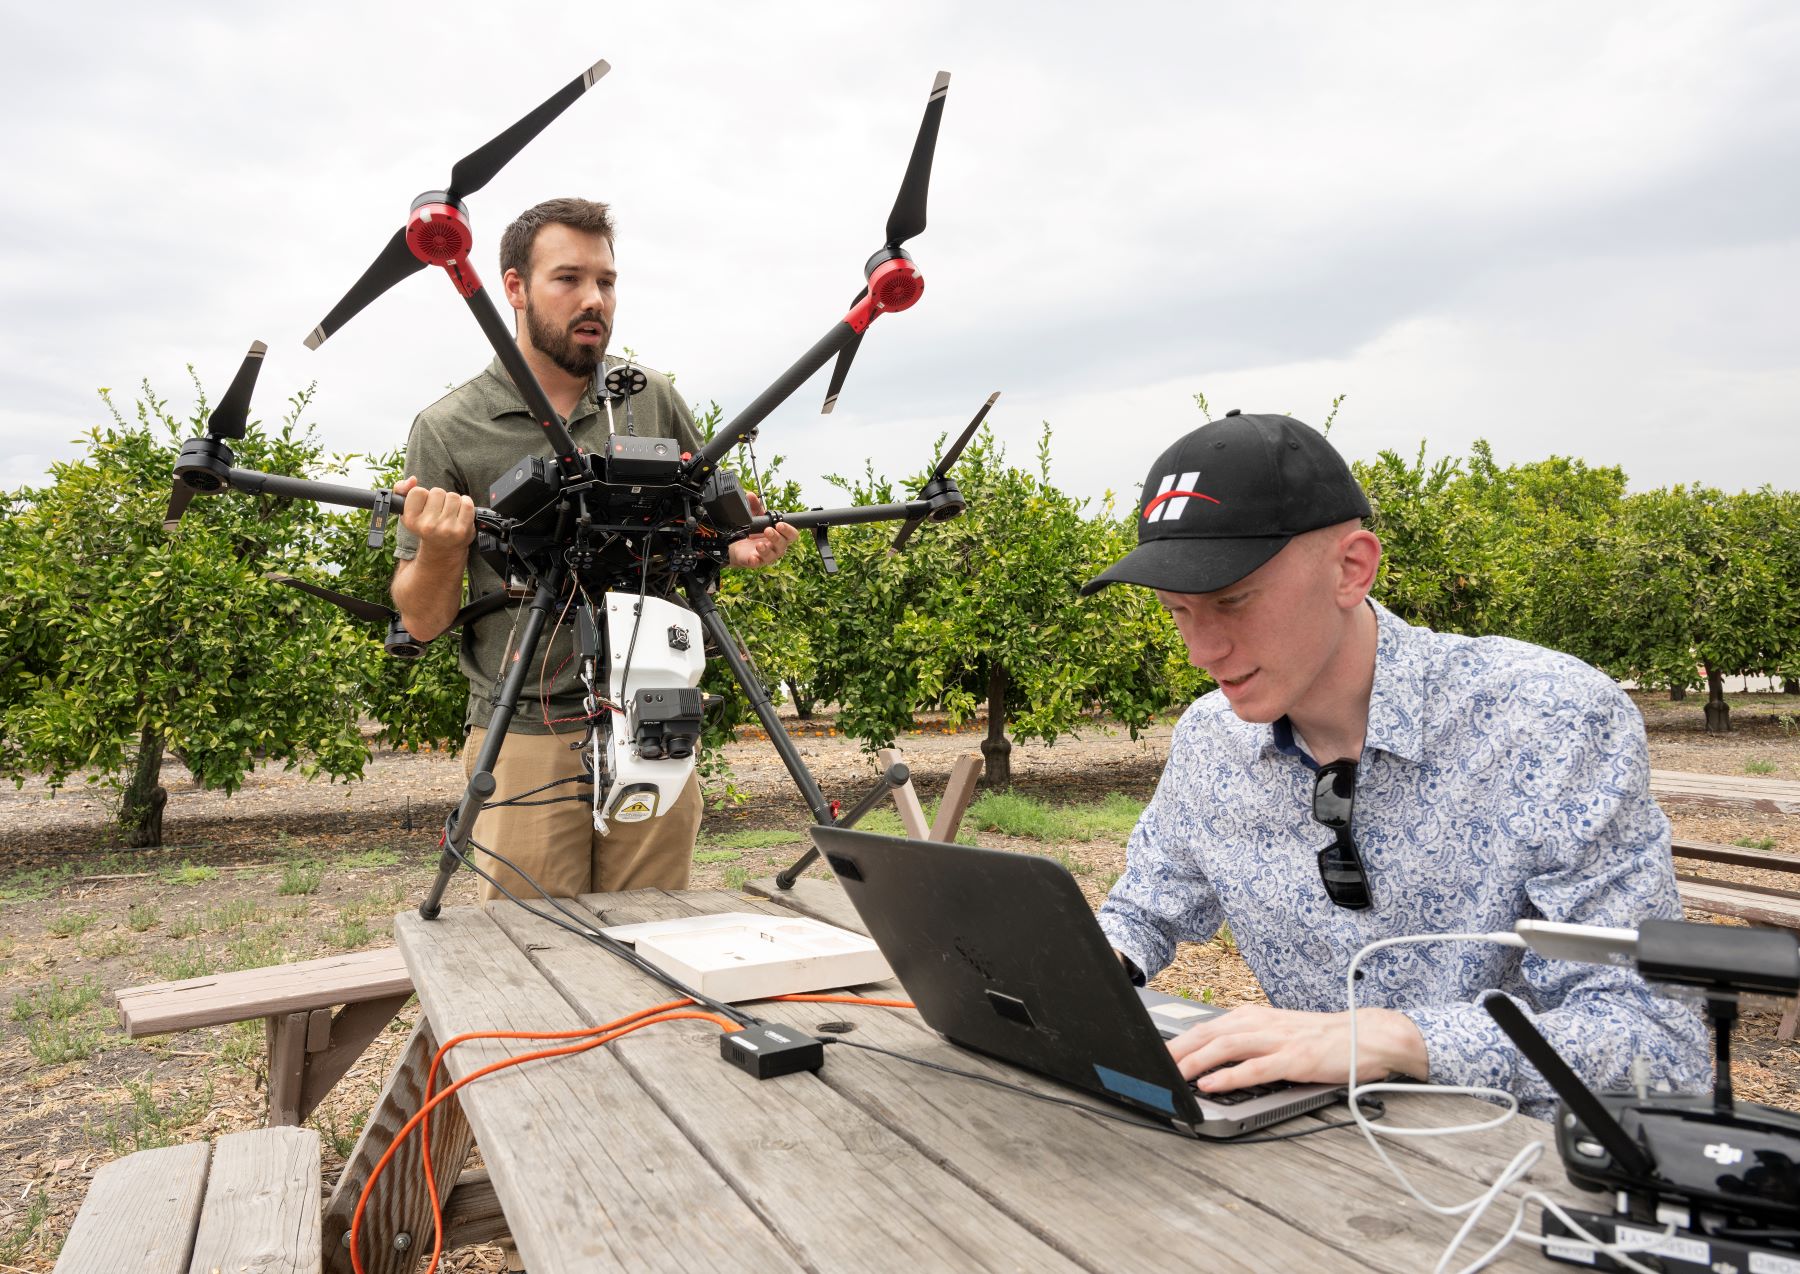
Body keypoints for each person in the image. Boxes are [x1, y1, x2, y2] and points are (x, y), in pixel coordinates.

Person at [1082, 410, 1709, 1118]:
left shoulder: (1551, 721)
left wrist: (1396, 1039)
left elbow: (1655, 1042)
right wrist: (1064, 974)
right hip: (1315, 1157)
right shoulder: (1209, 737)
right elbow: (1145, 908)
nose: (1203, 651)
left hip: (1525, 1171)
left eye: (1232, 601)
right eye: (1177, 611)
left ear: (1352, 568)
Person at [391, 197, 798, 902]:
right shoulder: (451, 427)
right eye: (568, 278)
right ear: (513, 288)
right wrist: (438, 550)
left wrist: (735, 546)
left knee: (657, 935)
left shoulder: (651, 398)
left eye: (606, 282)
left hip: (654, 716)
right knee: (535, 955)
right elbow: (422, 621)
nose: (594, 300)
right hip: (526, 732)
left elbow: (693, 531)